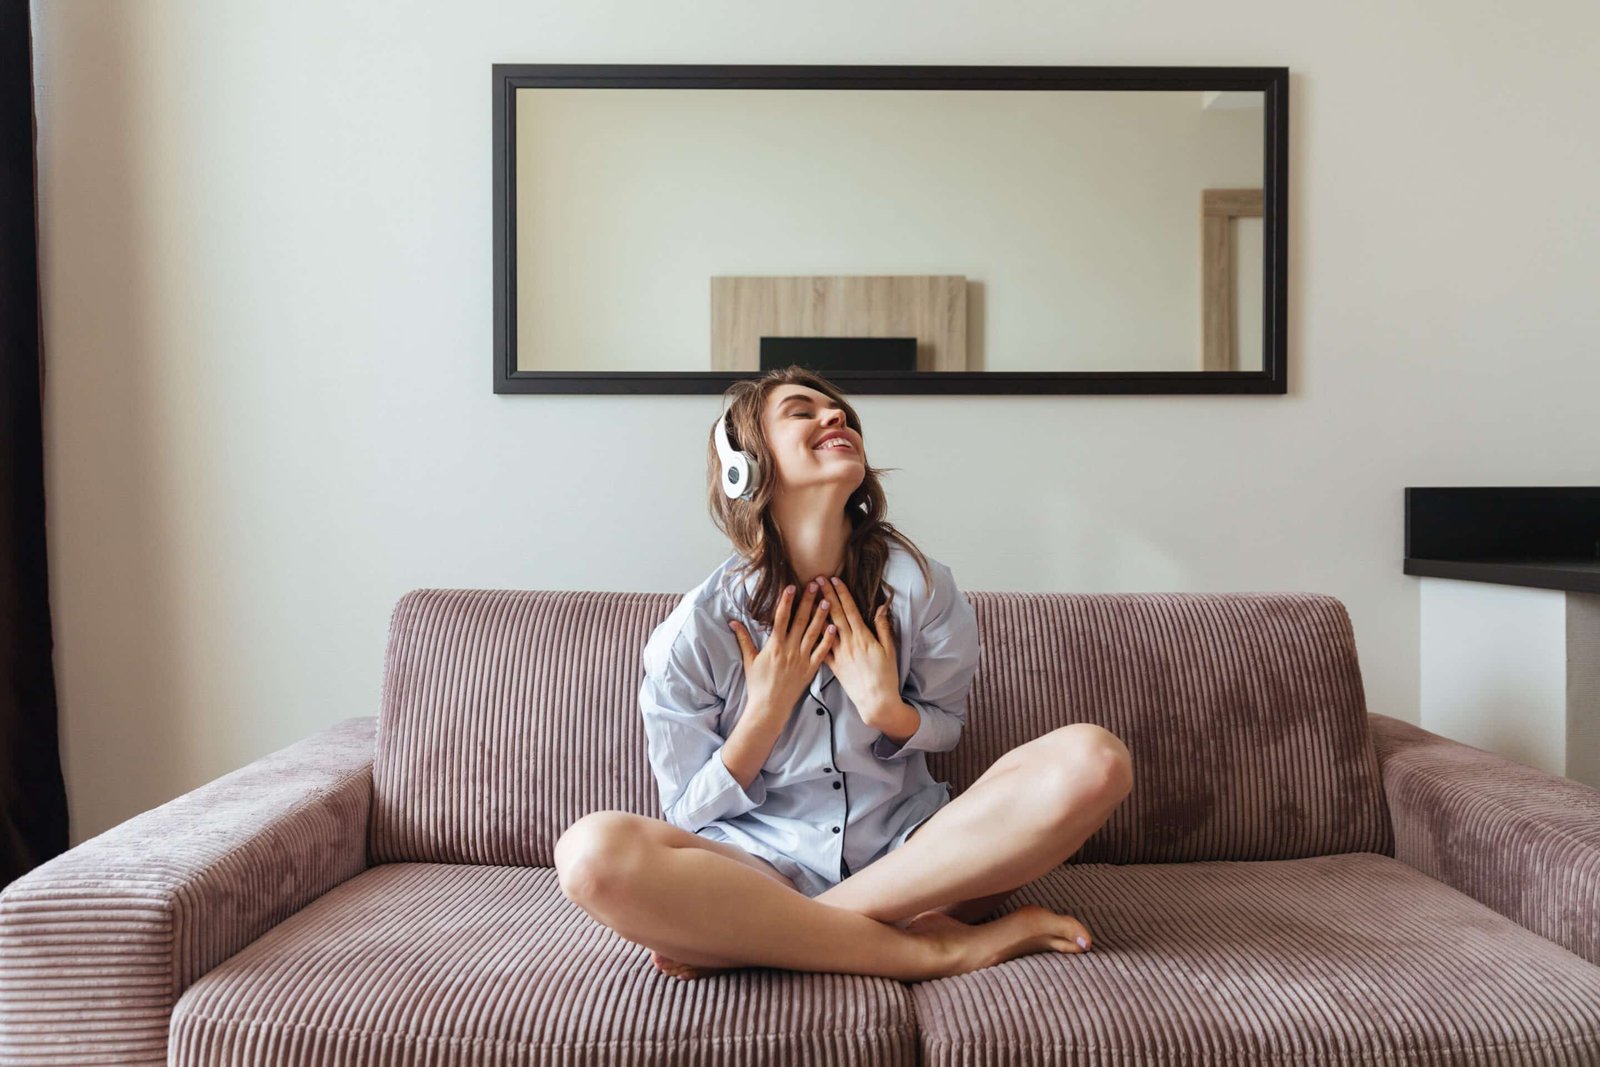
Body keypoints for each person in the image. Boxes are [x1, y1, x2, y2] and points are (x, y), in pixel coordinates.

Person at [554, 366, 1134, 982]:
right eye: (802, 411)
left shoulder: (923, 590)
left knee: (1096, 759)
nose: (836, 418)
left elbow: (948, 726)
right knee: (590, 853)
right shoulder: (693, 634)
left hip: (919, 861)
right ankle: (930, 949)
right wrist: (763, 717)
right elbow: (686, 815)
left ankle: (784, 936)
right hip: (760, 869)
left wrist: (892, 713)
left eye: (843, 414)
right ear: (743, 465)